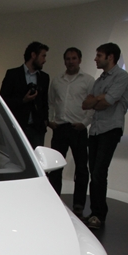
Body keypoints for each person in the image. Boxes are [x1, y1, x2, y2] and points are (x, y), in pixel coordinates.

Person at [81, 42, 128, 229]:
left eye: (99, 55)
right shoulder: (99, 80)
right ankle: (95, 211)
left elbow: (107, 102)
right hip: (95, 130)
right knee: (94, 172)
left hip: (110, 129)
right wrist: (99, 99)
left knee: (99, 172)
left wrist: (99, 99)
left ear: (110, 57)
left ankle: (99, 214)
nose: (95, 59)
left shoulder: (122, 77)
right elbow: (86, 104)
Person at [47, 47, 94, 198]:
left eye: (74, 58)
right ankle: (54, 199)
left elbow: (92, 105)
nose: (71, 61)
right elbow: (51, 102)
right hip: (60, 128)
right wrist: (50, 120)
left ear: (80, 60)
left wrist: (85, 123)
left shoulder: (88, 80)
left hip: (78, 128)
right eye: (68, 59)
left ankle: (79, 204)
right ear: (64, 61)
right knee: (55, 167)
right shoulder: (57, 80)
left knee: (81, 168)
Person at [0, 41, 50, 148]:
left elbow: (44, 101)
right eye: (43, 56)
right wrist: (23, 100)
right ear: (33, 55)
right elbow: (3, 100)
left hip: (37, 129)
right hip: (17, 127)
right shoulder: (13, 75)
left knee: (36, 156)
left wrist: (45, 121)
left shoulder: (44, 77)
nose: (45, 60)